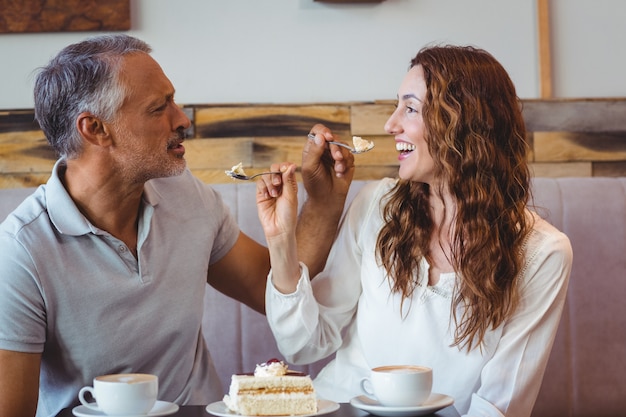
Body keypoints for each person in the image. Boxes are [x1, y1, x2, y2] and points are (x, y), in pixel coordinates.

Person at [0, 34, 354, 417]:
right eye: (158, 107)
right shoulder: (21, 253)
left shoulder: (185, 194)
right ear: (95, 129)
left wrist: (323, 200)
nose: (182, 118)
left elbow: (278, 290)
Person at [256, 45, 573, 417]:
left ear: (463, 123)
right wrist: (280, 242)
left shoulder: (542, 253)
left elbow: (498, 406)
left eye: (409, 108)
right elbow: (304, 345)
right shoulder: (378, 205)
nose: (391, 125)